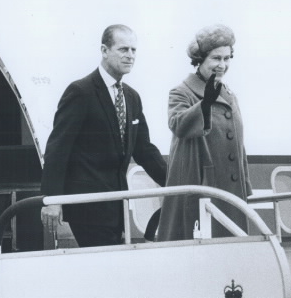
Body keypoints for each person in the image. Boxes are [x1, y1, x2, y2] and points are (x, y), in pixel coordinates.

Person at [40, 24, 167, 247]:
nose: (130, 56)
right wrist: (52, 200)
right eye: (123, 49)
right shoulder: (81, 92)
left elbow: (144, 149)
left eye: (133, 50)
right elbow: (58, 148)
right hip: (87, 206)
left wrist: (176, 183)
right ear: (104, 50)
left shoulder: (131, 97)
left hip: (116, 205)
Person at [158, 24, 252, 241]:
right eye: (215, 58)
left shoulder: (229, 94)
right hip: (202, 189)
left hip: (230, 193)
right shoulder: (182, 92)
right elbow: (178, 124)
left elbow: (238, 143)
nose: (222, 65)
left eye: (227, 59)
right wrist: (205, 103)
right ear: (200, 60)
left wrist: (245, 186)